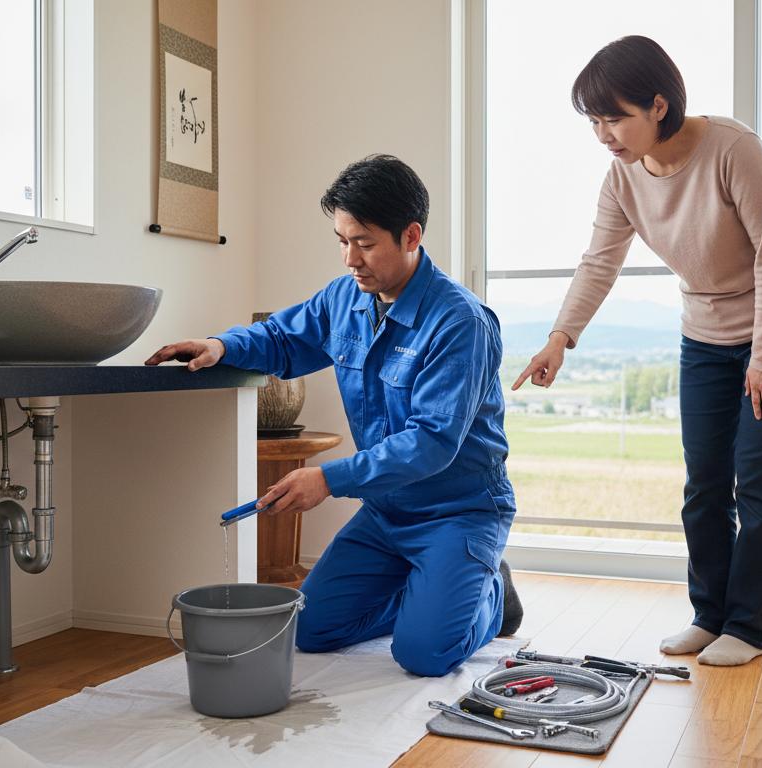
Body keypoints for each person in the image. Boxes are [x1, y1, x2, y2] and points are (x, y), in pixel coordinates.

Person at [514, 36, 762, 667]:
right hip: (706, 333)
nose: (604, 134)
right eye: (595, 121)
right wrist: (559, 337)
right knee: (704, 482)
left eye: (614, 117)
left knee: (761, 482)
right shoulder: (624, 173)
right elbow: (599, 260)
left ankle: (748, 627)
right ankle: (710, 615)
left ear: (659, 104)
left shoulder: (734, 151)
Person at [147, 154, 522, 677]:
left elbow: (433, 441)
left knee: (424, 654)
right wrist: (219, 345)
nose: (350, 258)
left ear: (411, 236)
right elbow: (282, 337)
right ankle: (430, 597)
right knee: (311, 629)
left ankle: (490, 598)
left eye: (364, 243)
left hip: (457, 511)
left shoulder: (460, 322)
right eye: (343, 241)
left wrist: (329, 478)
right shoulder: (346, 298)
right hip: (386, 514)